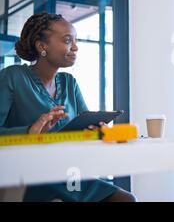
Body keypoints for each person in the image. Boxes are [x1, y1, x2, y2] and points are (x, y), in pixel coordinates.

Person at [0, 12, 136, 202]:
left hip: (70, 174)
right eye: (67, 40)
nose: (75, 47)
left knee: (126, 199)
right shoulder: (12, 77)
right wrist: (30, 131)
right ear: (42, 46)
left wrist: (98, 131)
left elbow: (86, 126)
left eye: (75, 40)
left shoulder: (69, 82)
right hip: (32, 178)